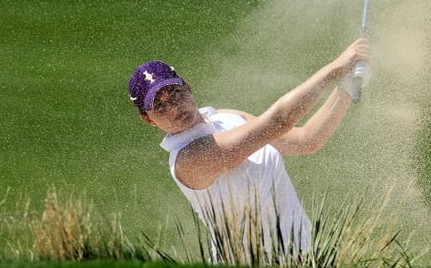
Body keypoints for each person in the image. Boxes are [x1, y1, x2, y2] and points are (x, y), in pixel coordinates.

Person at [127, 38, 371, 263]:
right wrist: (337, 66)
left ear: (187, 87)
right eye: (159, 106)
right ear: (148, 120)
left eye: (175, 93)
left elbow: (307, 140)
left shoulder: (229, 118)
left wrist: (348, 85)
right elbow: (278, 121)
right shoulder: (188, 158)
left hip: (304, 257)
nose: (173, 107)